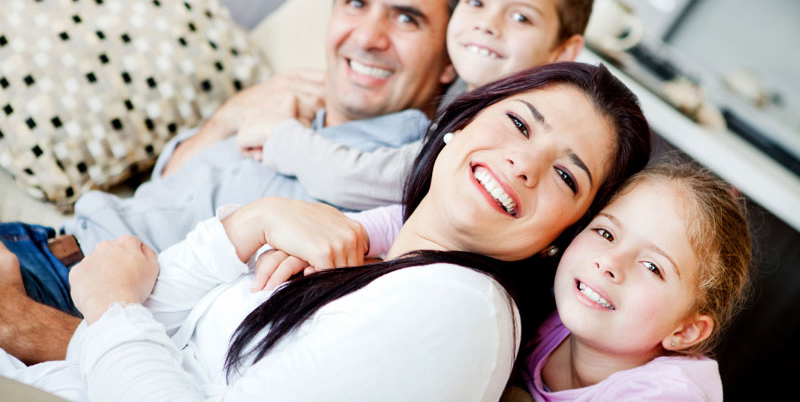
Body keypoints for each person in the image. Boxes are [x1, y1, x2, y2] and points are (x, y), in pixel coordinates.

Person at [0, 62, 651, 401]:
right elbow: (169, 317)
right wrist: (247, 224)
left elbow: (128, 304)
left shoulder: (461, 313)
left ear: (559, 239)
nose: (524, 163)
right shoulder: (377, 256)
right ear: (460, 123)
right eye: (519, 124)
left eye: (567, 177)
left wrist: (111, 306)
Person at [0, 0, 479, 364]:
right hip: (48, 245)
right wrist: (227, 119)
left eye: (406, 18)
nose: (369, 36)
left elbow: (202, 362)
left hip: (76, 301)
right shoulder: (285, 105)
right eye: (356, 2)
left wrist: (26, 325)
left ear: (454, 53)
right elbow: (163, 189)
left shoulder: (401, 179)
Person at [237, 0, 596, 210]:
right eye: (476, 2)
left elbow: (376, 180)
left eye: (520, 17)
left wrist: (285, 140)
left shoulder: (509, 126)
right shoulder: (468, 108)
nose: (488, 24)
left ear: (564, 51)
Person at [522, 162, 752, 401]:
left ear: (685, 330)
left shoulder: (667, 395)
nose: (610, 261)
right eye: (606, 233)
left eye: (652, 267)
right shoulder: (546, 315)